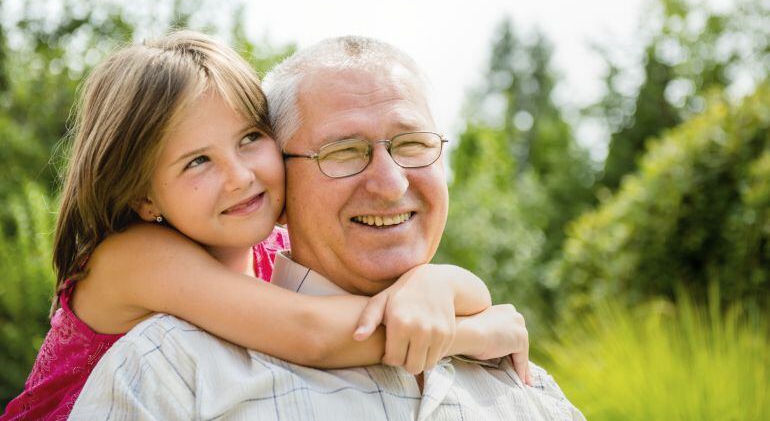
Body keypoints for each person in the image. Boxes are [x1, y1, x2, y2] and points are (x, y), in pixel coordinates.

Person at [0, 32, 529, 421]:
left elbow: (449, 288)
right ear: (142, 196)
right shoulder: (132, 259)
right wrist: (467, 333)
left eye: (250, 138)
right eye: (197, 162)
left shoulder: (271, 248)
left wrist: (431, 283)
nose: (240, 177)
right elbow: (311, 333)